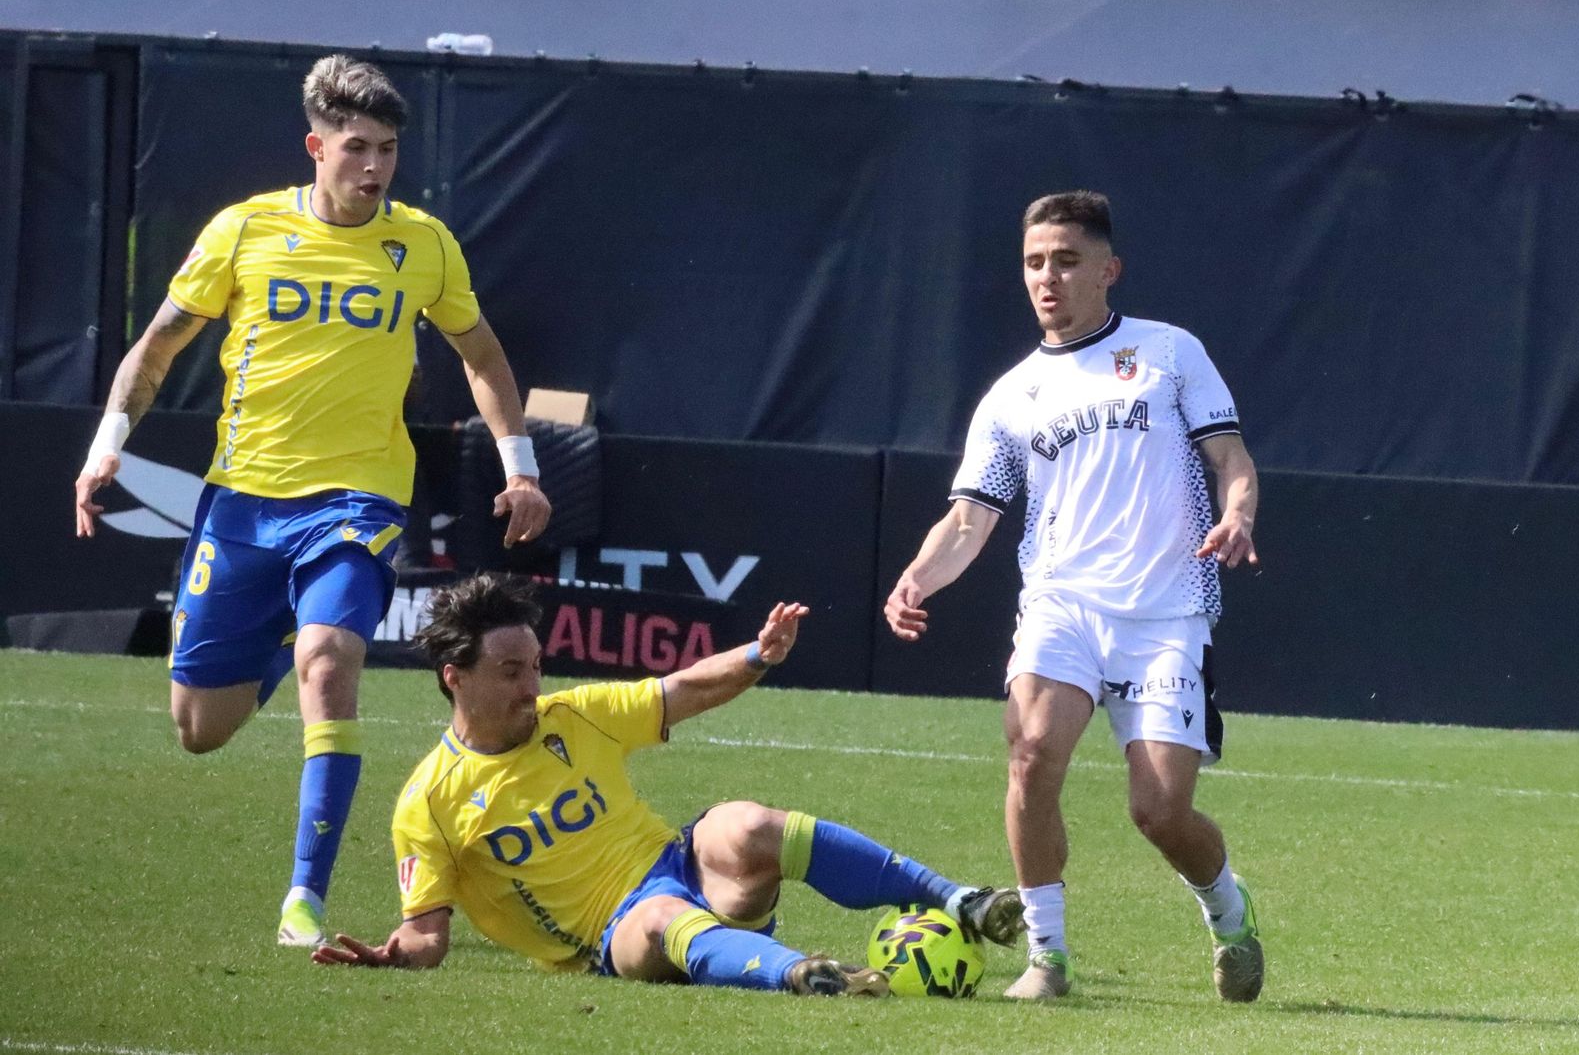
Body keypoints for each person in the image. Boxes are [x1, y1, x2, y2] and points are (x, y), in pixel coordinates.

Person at [71, 55, 552, 948]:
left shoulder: (423, 244)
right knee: (199, 729)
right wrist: (107, 448)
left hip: (358, 499)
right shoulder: (245, 230)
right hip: (244, 501)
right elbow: (157, 347)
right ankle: (281, 636)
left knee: (329, 663)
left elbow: (482, 355)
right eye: (357, 147)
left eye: (389, 149)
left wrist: (519, 468)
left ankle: (305, 899)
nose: (375, 167)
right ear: (316, 147)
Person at [884, 190, 1263, 1003]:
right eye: (1033, 263)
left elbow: (1231, 458)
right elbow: (970, 518)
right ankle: (1048, 958)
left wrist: (1236, 515)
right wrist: (918, 576)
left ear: (1108, 270)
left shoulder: (1169, 353)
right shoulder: (1011, 396)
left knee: (1160, 813)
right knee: (1029, 752)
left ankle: (1229, 912)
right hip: (1061, 604)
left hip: (1166, 613)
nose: (1046, 277)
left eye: (1065, 260)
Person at [310, 573, 1024, 995]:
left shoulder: (574, 716)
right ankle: (803, 975)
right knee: (657, 918)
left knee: (745, 823)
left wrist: (758, 654)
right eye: (511, 672)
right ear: (455, 677)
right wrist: (392, 955)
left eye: (535, 667)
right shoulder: (428, 804)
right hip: (614, 938)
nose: (533, 686)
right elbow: (427, 935)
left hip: (681, 867)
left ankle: (959, 899)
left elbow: (684, 688)